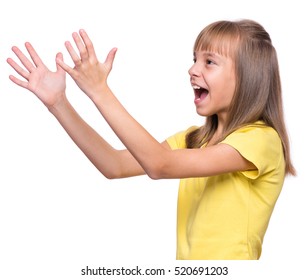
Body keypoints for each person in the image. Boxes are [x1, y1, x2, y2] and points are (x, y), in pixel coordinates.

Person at [7, 19, 296, 260]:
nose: (193, 69)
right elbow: (114, 165)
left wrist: (99, 91)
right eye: (194, 59)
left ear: (248, 77)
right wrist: (59, 103)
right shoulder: (194, 139)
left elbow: (159, 165)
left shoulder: (261, 140)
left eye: (210, 62)